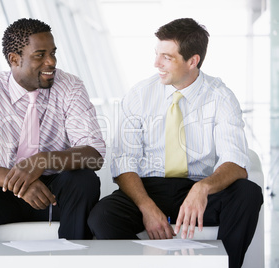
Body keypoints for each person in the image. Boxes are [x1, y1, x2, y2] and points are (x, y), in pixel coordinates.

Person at [87, 18, 263, 268]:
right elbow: (124, 162)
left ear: (193, 61)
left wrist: (203, 188)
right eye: (157, 54)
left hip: (197, 189)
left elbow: (235, 163)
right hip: (148, 189)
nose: (156, 63)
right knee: (102, 216)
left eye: (166, 57)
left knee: (248, 194)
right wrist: (147, 207)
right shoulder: (139, 95)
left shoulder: (221, 97)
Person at [0, 18, 105, 241]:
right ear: (14, 59)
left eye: (53, 53)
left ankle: (71, 259)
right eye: (40, 55)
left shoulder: (70, 86)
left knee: (84, 180)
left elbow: (95, 154)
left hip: (52, 196)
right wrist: (18, 181)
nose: (51, 62)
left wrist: (42, 161)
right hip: (0, 189)